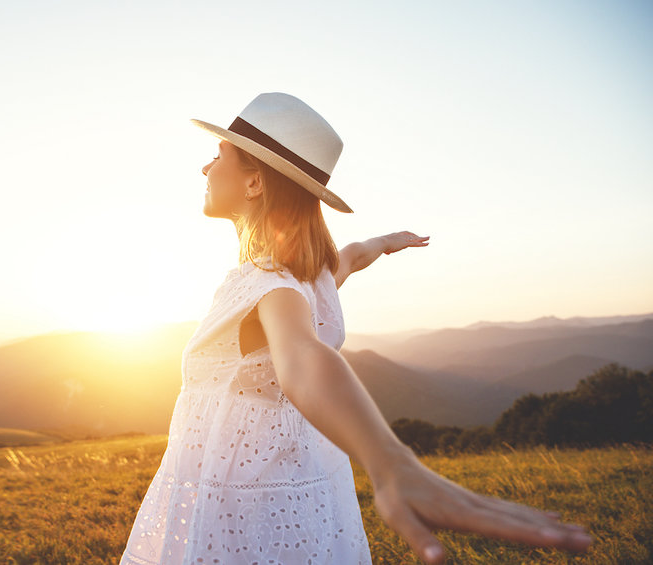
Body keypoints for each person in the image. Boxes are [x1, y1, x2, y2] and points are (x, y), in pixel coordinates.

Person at [120, 93, 592, 565]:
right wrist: (385, 243)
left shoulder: (271, 287)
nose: (206, 168)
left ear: (255, 182)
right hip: (291, 496)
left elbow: (302, 358)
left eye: (218, 156)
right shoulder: (308, 275)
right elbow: (351, 258)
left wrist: (389, 460)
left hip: (244, 510)